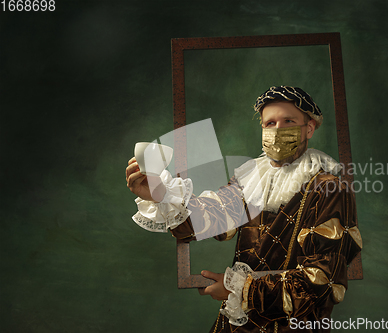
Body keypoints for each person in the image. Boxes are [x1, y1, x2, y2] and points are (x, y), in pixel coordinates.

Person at [126, 86, 362, 332]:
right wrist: (161, 195)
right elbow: (209, 217)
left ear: (309, 128)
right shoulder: (251, 177)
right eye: (269, 123)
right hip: (238, 325)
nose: (278, 130)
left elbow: (320, 283)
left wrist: (240, 290)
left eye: (289, 121)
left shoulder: (328, 188)